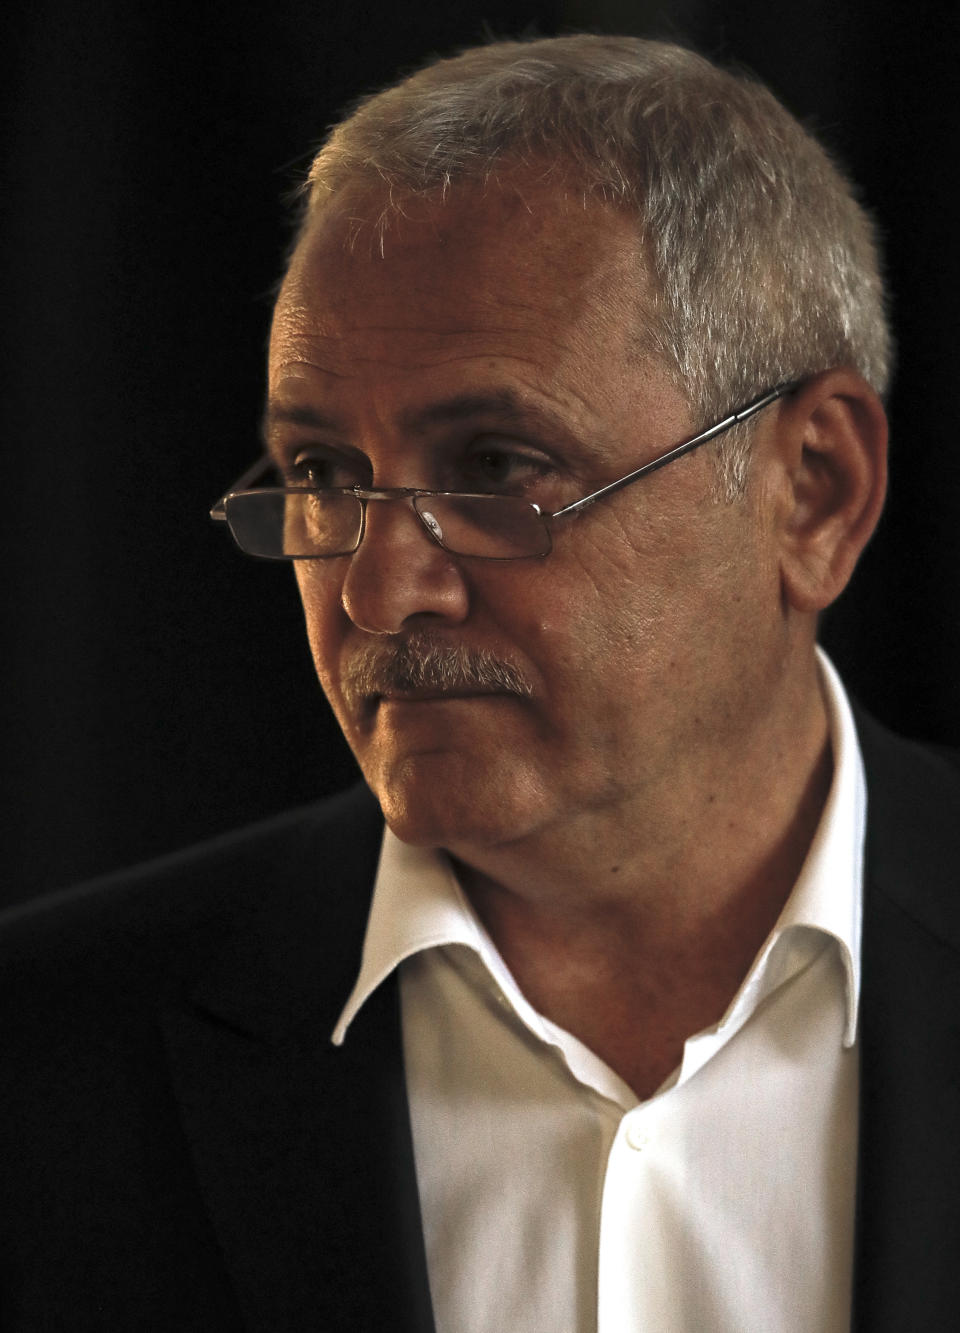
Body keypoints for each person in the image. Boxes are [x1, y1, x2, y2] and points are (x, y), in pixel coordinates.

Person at [2, 32, 958, 1333]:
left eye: (497, 468)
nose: (375, 591)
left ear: (815, 491)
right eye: (323, 476)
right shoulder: (47, 1068)